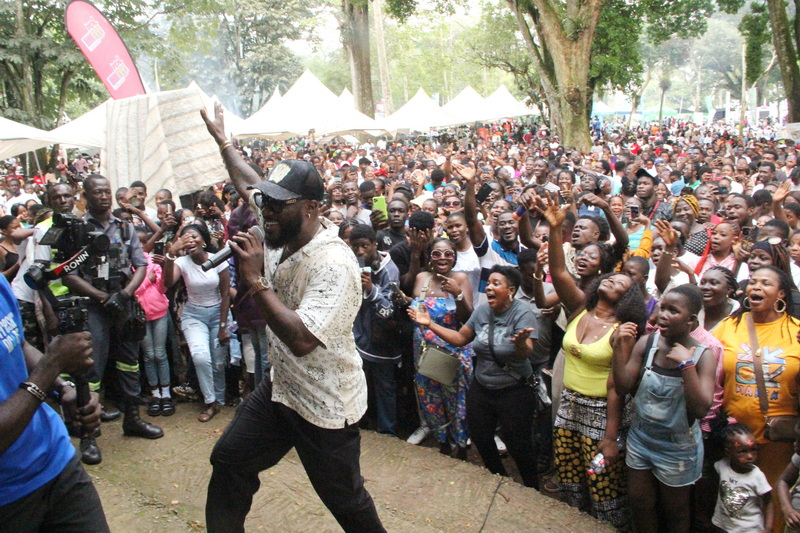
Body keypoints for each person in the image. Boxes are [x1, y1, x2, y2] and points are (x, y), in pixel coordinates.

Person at [201, 104, 385, 533]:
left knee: (348, 503)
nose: (265, 209)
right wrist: (224, 142)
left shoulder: (334, 264)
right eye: (267, 201)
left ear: (310, 208)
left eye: (278, 204)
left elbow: (302, 339)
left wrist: (254, 282)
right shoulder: (276, 224)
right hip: (281, 390)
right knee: (228, 461)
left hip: (323, 404)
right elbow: (249, 182)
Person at [536, 193, 647, 530]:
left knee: (602, 485)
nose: (613, 279)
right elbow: (557, 271)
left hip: (602, 416)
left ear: (628, 298)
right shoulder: (580, 307)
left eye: (622, 283)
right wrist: (556, 231)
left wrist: (611, 437)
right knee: (570, 479)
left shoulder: (623, 330)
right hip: (569, 405)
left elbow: (619, 386)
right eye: (612, 277)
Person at [408, 265, 538, 487]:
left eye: (496, 283)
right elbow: (460, 338)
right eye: (488, 283)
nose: (489, 287)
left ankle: (532, 488)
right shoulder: (481, 312)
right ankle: (500, 477)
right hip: (482, 388)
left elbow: (527, 351)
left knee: (518, 443)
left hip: (514, 390)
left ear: (511, 290)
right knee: (480, 437)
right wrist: (430, 324)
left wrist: (519, 345)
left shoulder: (522, 313)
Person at [0, 273, 107, 532]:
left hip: (56, 461)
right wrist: (52, 365)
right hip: (9, 498)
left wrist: (63, 388)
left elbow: (18, 342)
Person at [62, 175, 163, 441]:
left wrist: (126, 294)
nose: (104, 196)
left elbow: (140, 264)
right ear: (86, 195)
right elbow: (68, 275)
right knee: (91, 370)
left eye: (107, 191)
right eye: (97, 192)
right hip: (94, 307)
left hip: (124, 303)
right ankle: (89, 436)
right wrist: (102, 298)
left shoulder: (125, 227)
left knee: (130, 363)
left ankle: (132, 420)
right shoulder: (76, 230)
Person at [612, 285, 715, 533]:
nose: (663, 315)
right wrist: (617, 347)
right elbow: (623, 385)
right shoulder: (648, 343)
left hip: (677, 448)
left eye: (673, 311)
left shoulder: (704, 355)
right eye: (662, 308)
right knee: (640, 503)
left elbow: (701, 408)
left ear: (691, 321)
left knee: (676, 512)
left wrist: (686, 366)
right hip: (642, 438)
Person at [714, 266, 800, 531]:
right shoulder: (730, 325)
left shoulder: (795, 331)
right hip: (735, 440)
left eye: (766, 283)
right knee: (736, 508)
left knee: (774, 505)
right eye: (752, 282)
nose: (756, 287)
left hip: (778, 442)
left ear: (781, 293)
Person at [406, 238, 474, 458]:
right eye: (437, 253)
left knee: (455, 401)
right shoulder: (422, 278)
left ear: (454, 256)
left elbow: (467, 318)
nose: (442, 258)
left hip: (450, 352)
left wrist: (458, 294)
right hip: (424, 352)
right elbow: (418, 306)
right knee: (430, 399)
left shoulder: (461, 279)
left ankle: (460, 444)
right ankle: (442, 440)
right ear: (430, 257)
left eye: (448, 254)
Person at [163, 224, 230, 422]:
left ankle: (220, 397)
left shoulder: (217, 259)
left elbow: (226, 294)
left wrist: (223, 325)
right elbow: (168, 282)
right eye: (185, 238)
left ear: (203, 239)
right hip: (194, 316)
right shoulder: (182, 262)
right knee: (201, 358)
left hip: (218, 313)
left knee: (218, 362)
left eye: (194, 236)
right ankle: (211, 402)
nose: (190, 240)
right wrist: (170, 254)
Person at [348, 224, 402, 436]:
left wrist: (371, 289)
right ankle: (358, 426)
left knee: (384, 387)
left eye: (364, 246)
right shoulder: (354, 264)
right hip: (359, 337)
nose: (360, 252)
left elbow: (389, 310)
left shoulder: (389, 270)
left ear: (374, 245)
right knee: (357, 384)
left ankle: (387, 432)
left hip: (383, 341)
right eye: (355, 247)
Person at [133, 227, 174, 418]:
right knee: (148, 355)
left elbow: (163, 286)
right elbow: (130, 291)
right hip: (140, 315)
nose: (141, 247)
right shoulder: (128, 265)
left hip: (159, 313)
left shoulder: (153, 262)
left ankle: (166, 394)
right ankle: (155, 394)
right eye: (137, 243)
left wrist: (165, 266)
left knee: (160, 353)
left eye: (144, 242)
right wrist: (146, 281)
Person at [712, 424, 774, 533]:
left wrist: (768, 527)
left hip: (750, 529)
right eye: (742, 451)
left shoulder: (756, 476)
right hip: (725, 526)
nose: (750, 456)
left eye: (753, 450)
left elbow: (769, 501)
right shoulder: (722, 466)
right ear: (728, 453)